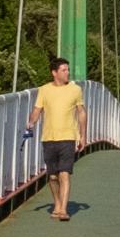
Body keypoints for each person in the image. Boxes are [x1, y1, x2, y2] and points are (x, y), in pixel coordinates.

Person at [26, 58, 88, 221]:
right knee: (52, 176)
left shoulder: (75, 90)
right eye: (64, 70)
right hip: (48, 138)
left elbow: (81, 112)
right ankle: (57, 203)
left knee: (65, 173)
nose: (67, 72)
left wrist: (83, 135)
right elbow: (37, 110)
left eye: (68, 69)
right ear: (54, 73)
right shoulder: (44, 90)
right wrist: (31, 122)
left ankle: (63, 210)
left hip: (68, 137)